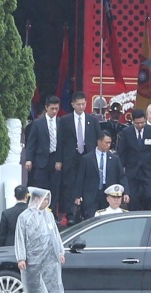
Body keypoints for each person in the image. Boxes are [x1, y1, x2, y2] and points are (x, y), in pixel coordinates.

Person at [15, 187, 65, 293]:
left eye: (48, 199)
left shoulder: (48, 215)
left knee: (53, 287)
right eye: (45, 199)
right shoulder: (25, 217)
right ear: (36, 199)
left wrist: (60, 252)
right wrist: (21, 258)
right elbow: (20, 238)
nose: (47, 202)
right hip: (33, 258)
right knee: (34, 288)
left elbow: (55, 235)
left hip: (50, 258)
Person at [57, 91, 102, 225]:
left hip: (87, 156)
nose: (81, 107)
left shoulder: (92, 120)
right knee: (70, 185)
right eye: (78, 104)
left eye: (83, 104)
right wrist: (59, 160)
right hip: (71, 156)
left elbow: (98, 138)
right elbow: (61, 141)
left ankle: (85, 212)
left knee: (86, 184)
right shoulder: (65, 120)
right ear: (73, 105)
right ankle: (71, 213)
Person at [117, 109, 151, 211]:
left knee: (149, 195)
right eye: (137, 123)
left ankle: (146, 211)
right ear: (133, 121)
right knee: (133, 198)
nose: (140, 125)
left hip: (148, 170)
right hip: (132, 170)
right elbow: (122, 152)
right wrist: (121, 169)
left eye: (142, 123)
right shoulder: (126, 132)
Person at [74, 131, 129, 219]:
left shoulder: (114, 159)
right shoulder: (87, 158)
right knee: (91, 218)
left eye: (110, 143)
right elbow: (80, 178)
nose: (108, 145)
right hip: (91, 194)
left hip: (108, 192)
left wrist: (126, 192)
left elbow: (121, 176)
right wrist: (77, 196)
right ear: (99, 142)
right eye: (106, 143)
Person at [25, 96, 61, 215]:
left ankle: (52, 213)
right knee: (39, 186)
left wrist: (60, 160)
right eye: (52, 108)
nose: (54, 111)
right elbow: (31, 143)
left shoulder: (61, 122)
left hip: (55, 159)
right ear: (46, 108)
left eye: (56, 108)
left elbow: (63, 143)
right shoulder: (37, 123)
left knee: (54, 187)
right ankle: (36, 210)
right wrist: (29, 159)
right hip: (40, 160)